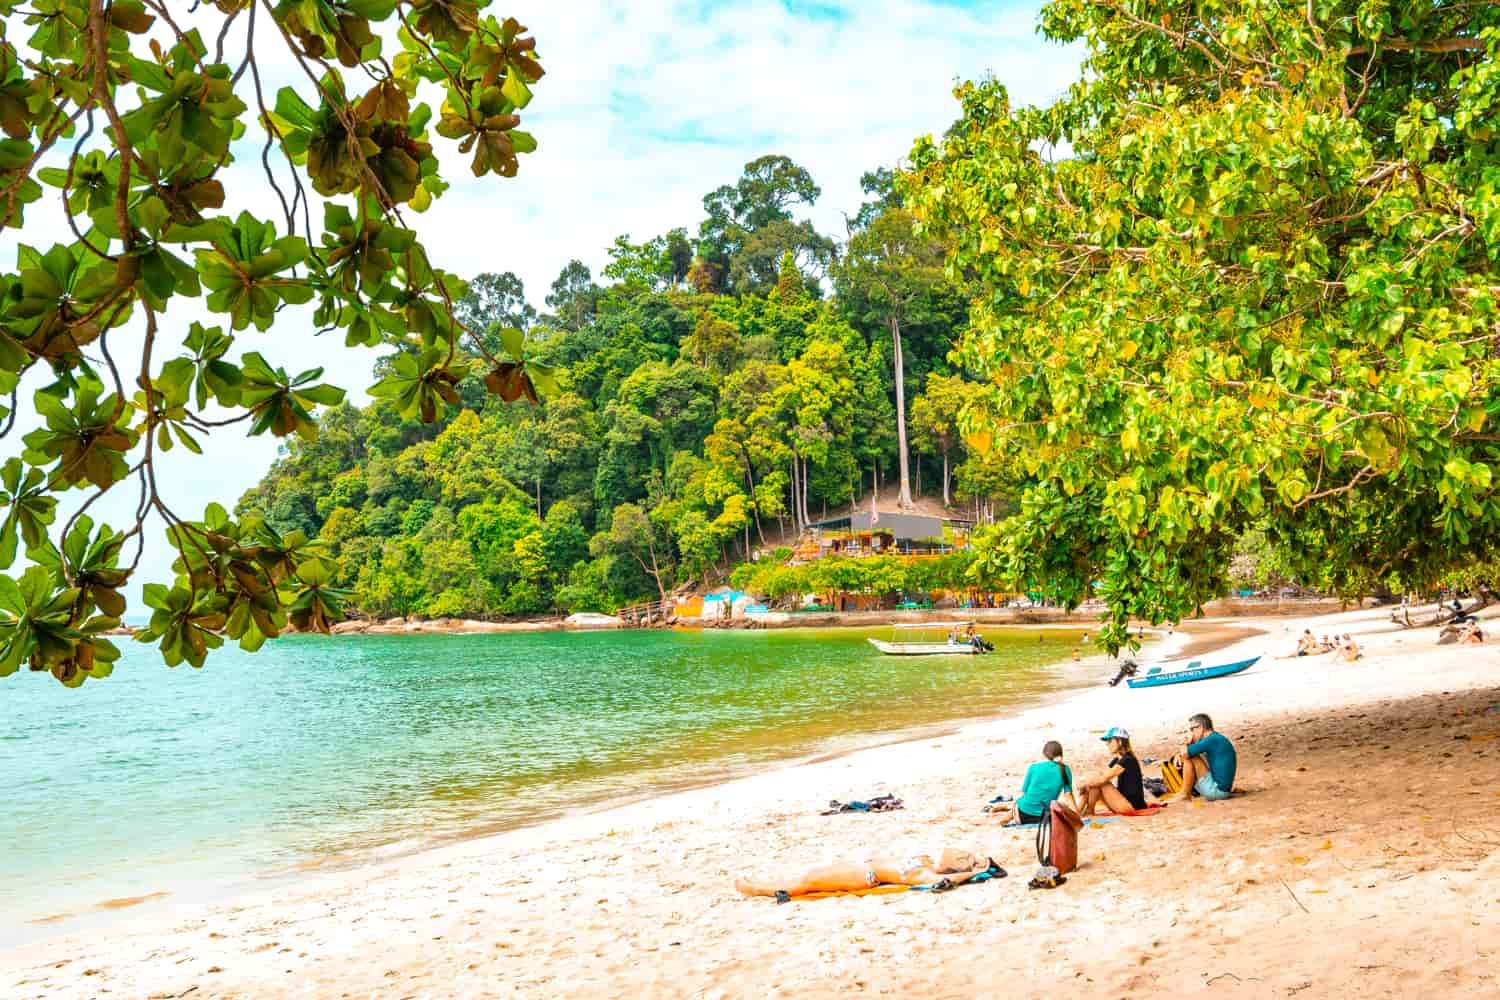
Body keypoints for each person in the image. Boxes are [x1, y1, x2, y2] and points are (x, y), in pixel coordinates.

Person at [735, 848, 992, 899]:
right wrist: (979, 862)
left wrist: (973, 872)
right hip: (859, 867)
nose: (962, 854)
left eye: (964, 859)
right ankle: (762, 884)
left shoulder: (925, 876)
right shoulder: (927, 861)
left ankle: (757, 889)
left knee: (806, 884)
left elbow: (949, 879)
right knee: (808, 876)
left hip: (863, 877)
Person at [995, 740, 1077, 824]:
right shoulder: (1065, 769)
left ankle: (1006, 818)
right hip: (1045, 818)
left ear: (1045, 754)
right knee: (1060, 806)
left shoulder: (1033, 767)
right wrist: (1076, 815)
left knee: (1020, 804)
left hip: (1021, 816)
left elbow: (1024, 794)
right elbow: (1068, 795)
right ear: (1061, 754)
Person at [1077, 727, 1148, 816]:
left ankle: (1080, 811)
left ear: (1120, 742)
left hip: (1131, 806)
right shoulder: (1117, 760)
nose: (1107, 744)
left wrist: (1083, 784)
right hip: (1121, 802)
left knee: (1098, 781)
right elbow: (1100, 774)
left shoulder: (1128, 760)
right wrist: (1085, 780)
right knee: (1094, 779)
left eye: (1110, 741)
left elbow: (1102, 779)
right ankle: (1086, 810)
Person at [1173, 713, 1236, 802]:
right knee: (1190, 755)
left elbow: (1185, 754)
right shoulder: (1215, 738)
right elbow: (1187, 751)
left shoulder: (1211, 740)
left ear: (1200, 727)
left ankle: (1185, 794)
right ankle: (1185, 793)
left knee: (1190, 757)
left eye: (1192, 729)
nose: (1191, 733)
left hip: (1216, 792)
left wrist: (1184, 744)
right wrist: (1178, 754)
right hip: (1222, 790)